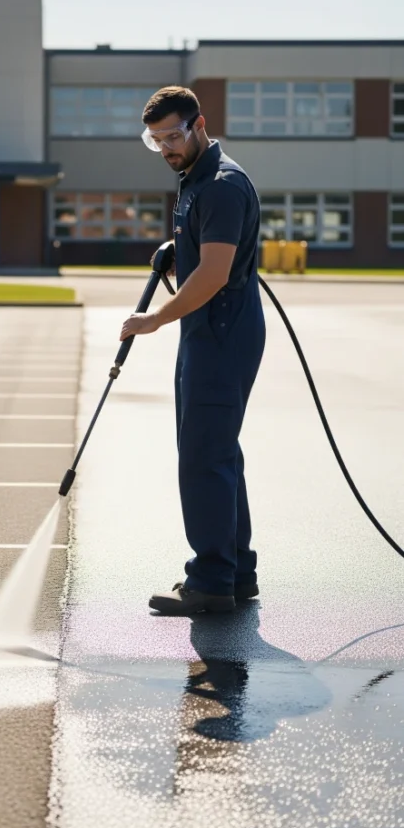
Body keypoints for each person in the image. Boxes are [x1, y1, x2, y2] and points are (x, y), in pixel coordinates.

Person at [119, 86, 266, 615]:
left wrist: (153, 319)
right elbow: (199, 258)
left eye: (173, 135)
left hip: (224, 335)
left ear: (200, 124)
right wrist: (176, 251)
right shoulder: (193, 180)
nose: (165, 148)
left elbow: (214, 273)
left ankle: (209, 583)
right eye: (155, 140)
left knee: (204, 457)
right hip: (208, 334)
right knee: (218, 452)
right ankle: (236, 573)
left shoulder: (222, 185)